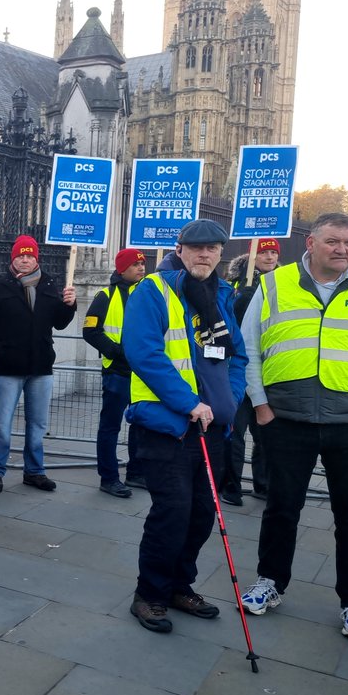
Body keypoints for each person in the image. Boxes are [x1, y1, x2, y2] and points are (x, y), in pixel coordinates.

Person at [240, 214, 348, 642]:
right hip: (287, 421)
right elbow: (249, 348)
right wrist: (260, 406)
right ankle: (270, 583)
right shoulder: (274, 283)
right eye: (333, 241)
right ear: (311, 243)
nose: (343, 249)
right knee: (280, 509)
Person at [123, 219, 246, 634]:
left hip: (214, 430)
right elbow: (143, 353)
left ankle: (180, 586)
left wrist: (229, 401)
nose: (204, 255)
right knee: (172, 513)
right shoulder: (153, 290)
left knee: (200, 516)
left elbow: (237, 357)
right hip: (168, 427)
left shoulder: (223, 295)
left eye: (212, 248)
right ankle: (150, 595)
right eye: (196, 248)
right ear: (180, 249)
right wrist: (189, 403)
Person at [0, 235, 77, 493]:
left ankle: (34, 471)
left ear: (37, 259)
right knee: (1, 423)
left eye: (30, 255)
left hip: (41, 367)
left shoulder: (49, 284)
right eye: (20, 255)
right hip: (9, 367)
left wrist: (70, 305)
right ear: (13, 258)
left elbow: (60, 322)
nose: (25, 259)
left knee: (38, 424)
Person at [82, 248, 148, 499]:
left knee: (140, 423)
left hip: (142, 372)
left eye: (142, 264)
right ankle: (109, 478)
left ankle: (136, 472)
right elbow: (90, 331)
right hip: (117, 372)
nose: (141, 268)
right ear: (122, 269)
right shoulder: (105, 296)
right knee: (110, 426)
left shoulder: (147, 293)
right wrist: (118, 351)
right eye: (135, 265)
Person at [220, 238, 281, 505]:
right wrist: (237, 302)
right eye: (264, 252)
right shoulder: (236, 284)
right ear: (253, 256)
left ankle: (263, 485)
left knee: (265, 434)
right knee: (235, 434)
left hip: (265, 371)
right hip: (235, 369)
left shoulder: (282, 286)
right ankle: (230, 486)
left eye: (273, 253)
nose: (269, 257)